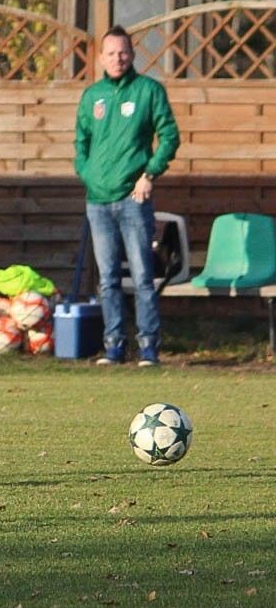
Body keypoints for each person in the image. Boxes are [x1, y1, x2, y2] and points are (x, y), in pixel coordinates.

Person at [74, 25, 179, 367]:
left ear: (132, 55)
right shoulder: (92, 96)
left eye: (123, 53)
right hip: (98, 201)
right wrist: (87, 174)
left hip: (135, 200)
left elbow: (169, 137)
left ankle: (148, 347)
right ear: (101, 57)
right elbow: (81, 143)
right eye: (111, 53)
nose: (118, 59)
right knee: (107, 280)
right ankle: (114, 346)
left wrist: (149, 175)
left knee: (143, 278)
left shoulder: (148, 91)